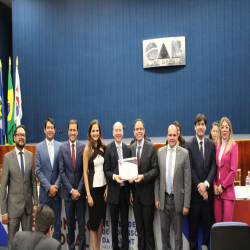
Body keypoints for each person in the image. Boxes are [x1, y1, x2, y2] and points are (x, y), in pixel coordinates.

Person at [0, 125, 38, 247]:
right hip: (12, 210)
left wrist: (35, 203)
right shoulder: (7, 158)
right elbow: (3, 187)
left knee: (27, 243)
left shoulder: (29, 155)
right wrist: (4, 212)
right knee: (12, 243)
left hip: (27, 209)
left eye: (23, 135)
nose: (21, 137)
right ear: (14, 137)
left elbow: (33, 182)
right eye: (19, 135)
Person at [155, 124, 191, 250]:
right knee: (165, 235)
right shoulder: (160, 152)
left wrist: (186, 204)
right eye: (170, 135)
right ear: (167, 136)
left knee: (177, 237)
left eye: (174, 135)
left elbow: (187, 181)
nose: (172, 138)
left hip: (178, 201)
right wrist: (157, 198)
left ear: (178, 136)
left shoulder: (185, 153)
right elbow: (157, 178)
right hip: (163, 200)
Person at [185, 114, 217, 250]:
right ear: (194, 127)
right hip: (195, 198)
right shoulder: (188, 144)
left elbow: (213, 166)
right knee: (193, 231)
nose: (200, 127)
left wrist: (207, 185)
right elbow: (190, 169)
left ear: (205, 127)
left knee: (207, 231)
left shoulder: (211, 144)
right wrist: (200, 187)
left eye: (203, 124)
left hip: (208, 197)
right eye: (198, 124)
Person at [130, 118, 159, 250]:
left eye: (141, 129)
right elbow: (128, 172)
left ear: (144, 131)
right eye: (137, 129)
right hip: (135, 198)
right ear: (134, 131)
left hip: (148, 197)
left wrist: (143, 177)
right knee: (139, 231)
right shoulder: (130, 149)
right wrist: (130, 191)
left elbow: (155, 170)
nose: (139, 131)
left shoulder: (151, 147)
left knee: (148, 231)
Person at [59, 119, 86, 250]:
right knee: (70, 226)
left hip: (80, 195)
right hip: (68, 195)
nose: (72, 132)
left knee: (81, 226)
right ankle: (71, 248)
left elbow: (84, 172)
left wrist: (79, 190)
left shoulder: (83, 147)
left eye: (74, 130)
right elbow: (62, 172)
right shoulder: (62, 148)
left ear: (77, 131)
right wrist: (71, 190)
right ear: (68, 131)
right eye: (70, 130)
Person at [104, 122, 132, 250]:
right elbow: (106, 170)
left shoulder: (127, 149)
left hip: (125, 192)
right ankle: (115, 247)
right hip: (114, 192)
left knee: (125, 223)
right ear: (113, 132)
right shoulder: (108, 148)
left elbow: (131, 170)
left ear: (123, 132)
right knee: (114, 224)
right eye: (116, 130)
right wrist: (114, 177)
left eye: (120, 130)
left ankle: (125, 247)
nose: (119, 133)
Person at [35, 118, 62, 242]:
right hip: (45, 196)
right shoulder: (38, 147)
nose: (50, 130)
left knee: (57, 227)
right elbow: (38, 171)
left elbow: (62, 169)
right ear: (44, 130)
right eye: (48, 128)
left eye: (52, 128)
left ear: (55, 130)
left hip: (56, 195)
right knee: (43, 227)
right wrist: (48, 187)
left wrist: (55, 186)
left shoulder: (60, 147)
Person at [83, 120, 108, 250]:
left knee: (101, 221)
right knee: (93, 224)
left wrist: (107, 188)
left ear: (99, 132)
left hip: (103, 190)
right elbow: (85, 174)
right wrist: (88, 194)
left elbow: (108, 170)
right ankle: (95, 248)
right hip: (92, 191)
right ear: (90, 133)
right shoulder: (87, 149)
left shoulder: (104, 147)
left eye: (97, 130)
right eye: (93, 131)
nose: (95, 133)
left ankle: (98, 246)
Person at [213, 117, 238, 222]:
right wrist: (214, 185)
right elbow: (213, 167)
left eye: (226, 127)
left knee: (226, 228)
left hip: (227, 192)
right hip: (216, 193)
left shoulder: (233, 146)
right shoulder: (216, 145)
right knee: (217, 226)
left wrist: (222, 186)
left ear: (230, 129)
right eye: (222, 127)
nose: (224, 130)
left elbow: (233, 172)